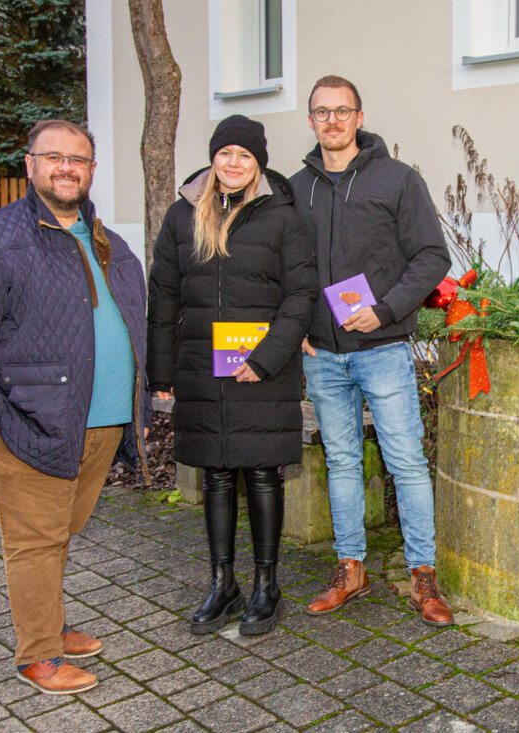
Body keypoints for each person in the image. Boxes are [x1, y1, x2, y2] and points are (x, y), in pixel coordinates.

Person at [0, 120, 150, 694]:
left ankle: (48, 622)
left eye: (78, 159)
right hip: (30, 421)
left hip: (100, 422)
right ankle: (39, 654)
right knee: (34, 540)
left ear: (91, 170)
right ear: (29, 165)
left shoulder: (106, 239)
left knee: (61, 531)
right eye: (53, 157)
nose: (66, 167)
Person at [289, 75, 454, 626]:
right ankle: (350, 569)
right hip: (323, 356)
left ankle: (423, 576)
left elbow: (432, 256)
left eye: (343, 111)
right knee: (340, 462)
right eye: (322, 112)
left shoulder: (398, 180)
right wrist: (298, 328)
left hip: (382, 348)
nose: (332, 121)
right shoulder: (296, 189)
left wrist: (383, 309)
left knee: (406, 462)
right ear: (310, 120)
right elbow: (285, 267)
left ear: (359, 117)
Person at [147, 115, 316, 636]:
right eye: (226, 154)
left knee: (263, 472)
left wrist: (265, 357)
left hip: (263, 369)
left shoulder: (283, 218)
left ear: (258, 162)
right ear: (213, 158)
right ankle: (223, 584)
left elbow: (301, 296)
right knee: (217, 474)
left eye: (245, 155)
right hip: (203, 367)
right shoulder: (182, 216)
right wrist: (161, 367)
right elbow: (164, 295)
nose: (234, 163)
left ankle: (267, 585)